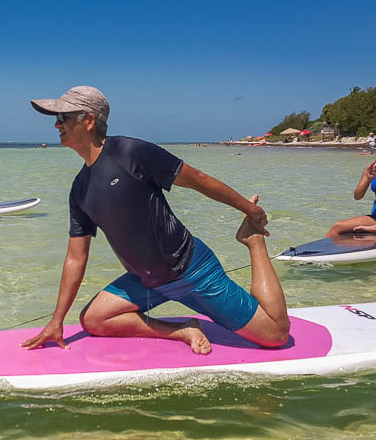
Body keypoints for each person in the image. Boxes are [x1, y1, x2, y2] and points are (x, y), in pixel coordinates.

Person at [21, 86, 289, 355]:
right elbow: (75, 258)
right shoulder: (80, 188)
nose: (56, 125)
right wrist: (56, 320)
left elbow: (198, 180)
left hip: (192, 271)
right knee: (93, 319)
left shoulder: (130, 152)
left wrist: (249, 210)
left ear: (89, 121)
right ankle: (184, 330)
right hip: (146, 281)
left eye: (63, 118)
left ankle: (253, 242)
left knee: (276, 335)